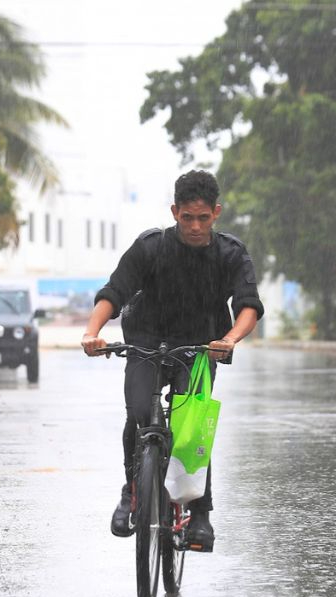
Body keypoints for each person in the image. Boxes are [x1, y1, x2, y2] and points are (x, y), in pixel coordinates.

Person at [81, 170, 264, 551]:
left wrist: (228, 340)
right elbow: (113, 293)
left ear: (216, 213)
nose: (195, 227)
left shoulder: (231, 254)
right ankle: (133, 491)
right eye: (187, 218)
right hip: (147, 341)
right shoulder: (150, 247)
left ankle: (200, 514)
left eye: (203, 218)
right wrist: (91, 331)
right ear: (174, 212)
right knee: (137, 412)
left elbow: (248, 306)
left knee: (191, 425)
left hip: (200, 348)